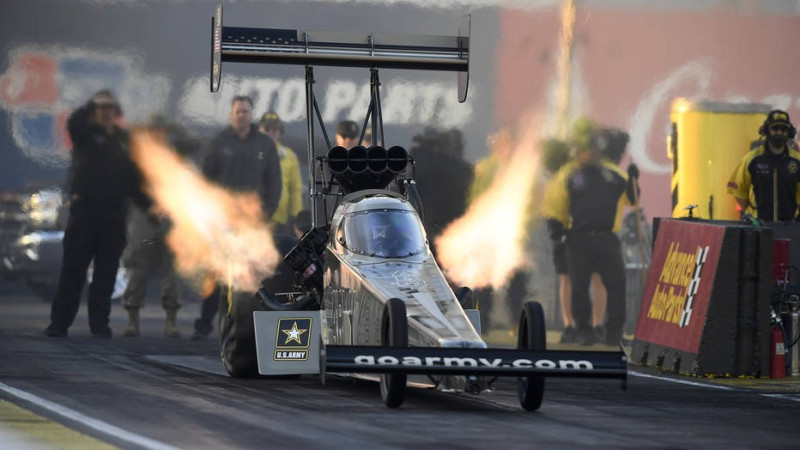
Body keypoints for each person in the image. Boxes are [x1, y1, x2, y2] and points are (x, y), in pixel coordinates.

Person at [45, 89, 150, 338]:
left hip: (113, 214)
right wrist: (92, 104)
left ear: (116, 112)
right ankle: (59, 323)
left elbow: (134, 180)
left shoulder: (124, 140)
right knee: (73, 270)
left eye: (109, 108)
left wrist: (149, 205)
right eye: (100, 108)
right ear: (93, 111)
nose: (105, 113)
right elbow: (74, 121)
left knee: (106, 272)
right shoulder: (85, 134)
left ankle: (99, 324)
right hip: (85, 210)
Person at [191, 95, 282, 340]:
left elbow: (274, 182)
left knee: (251, 275)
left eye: (245, 111)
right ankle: (204, 324)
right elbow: (205, 181)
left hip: (252, 224)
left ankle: (249, 329)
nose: (241, 115)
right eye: (237, 111)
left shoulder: (264, 144)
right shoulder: (219, 142)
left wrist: (266, 215)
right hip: (223, 222)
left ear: (251, 114)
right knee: (216, 272)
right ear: (231, 114)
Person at [543, 118, 639, 346]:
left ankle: (613, 332)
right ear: (578, 151)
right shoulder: (569, 175)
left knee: (616, 284)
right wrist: (557, 236)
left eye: (594, 150)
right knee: (579, 286)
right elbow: (555, 206)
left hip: (607, 238)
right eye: (586, 150)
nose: (590, 154)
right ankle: (583, 330)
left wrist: (634, 179)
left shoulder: (613, 175)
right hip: (578, 239)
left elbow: (633, 199)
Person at [121, 115, 198, 338]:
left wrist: (177, 125)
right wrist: (148, 206)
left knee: (171, 268)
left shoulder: (175, 153)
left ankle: (171, 321)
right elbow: (130, 185)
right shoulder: (137, 155)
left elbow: (194, 144)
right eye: (153, 129)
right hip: (143, 216)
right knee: (136, 267)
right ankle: (132, 319)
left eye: (161, 129)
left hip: (169, 215)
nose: (157, 133)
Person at [727, 110, 800, 222]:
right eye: (775, 128)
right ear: (766, 131)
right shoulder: (751, 159)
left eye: (783, 129)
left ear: (789, 132)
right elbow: (738, 191)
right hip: (758, 227)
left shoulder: (797, 160)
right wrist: (753, 214)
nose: (779, 133)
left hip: (789, 227)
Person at [259, 112, 302, 234]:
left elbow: (295, 190)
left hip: (279, 221)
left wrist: (295, 216)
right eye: (267, 128)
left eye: (275, 128)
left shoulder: (289, 156)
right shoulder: (249, 152)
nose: (272, 132)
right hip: (253, 220)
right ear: (260, 130)